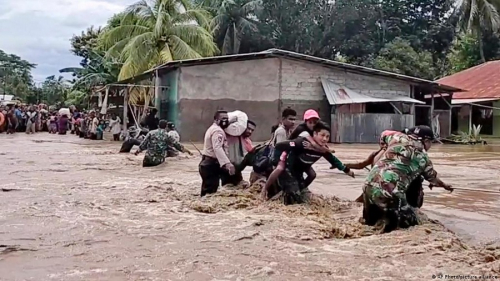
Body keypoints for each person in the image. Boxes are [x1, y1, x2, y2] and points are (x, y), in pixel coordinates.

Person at [362, 125, 453, 233]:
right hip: (391, 191)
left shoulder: (396, 137)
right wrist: (445, 186)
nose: (430, 145)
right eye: (431, 143)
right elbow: (433, 179)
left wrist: (385, 147)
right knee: (413, 226)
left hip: (368, 185)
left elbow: (383, 134)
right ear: (426, 141)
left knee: (367, 224)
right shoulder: (423, 158)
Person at [263, 121, 354, 204]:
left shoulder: (323, 149)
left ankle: (299, 189)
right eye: (322, 135)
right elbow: (280, 145)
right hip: (287, 170)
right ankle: (268, 193)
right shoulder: (303, 143)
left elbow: (334, 160)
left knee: (308, 185)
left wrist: (347, 171)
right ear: (314, 134)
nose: (325, 139)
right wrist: (276, 162)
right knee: (294, 199)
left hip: (299, 172)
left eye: (327, 136)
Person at [263, 109, 333, 196]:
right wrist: (321, 149)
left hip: (293, 153)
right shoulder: (286, 130)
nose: (293, 122)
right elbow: (281, 146)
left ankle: (302, 189)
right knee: (280, 168)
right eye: (290, 119)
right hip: (283, 153)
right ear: (283, 119)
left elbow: (315, 144)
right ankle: (264, 189)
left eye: (294, 120)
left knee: (312, 174)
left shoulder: (296, 130)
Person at [199, 110, 234, 196]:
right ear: (216, 120)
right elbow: (217, 148)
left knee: (208, 191)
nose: (225, 121)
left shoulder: (213, 128)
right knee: (210, 192)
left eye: (227, 118)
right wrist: (227, 163)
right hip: (211, 165)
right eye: (223, 119)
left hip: (207, 163)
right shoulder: (218, 131)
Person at [225, 120, 257, 186]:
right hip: (228, 168)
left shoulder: (248, 141)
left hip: (238, 169)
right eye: (248, 129)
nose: (250, 131)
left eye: (252, 130)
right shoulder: (234, 137)